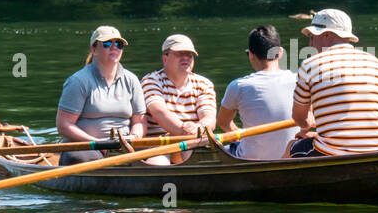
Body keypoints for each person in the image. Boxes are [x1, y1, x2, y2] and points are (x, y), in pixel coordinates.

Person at [289, 9, 378, 157]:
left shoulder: (310, 64)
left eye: (311, 37)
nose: (310, 43)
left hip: (331, 152)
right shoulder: (376, 63)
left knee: (291, 146)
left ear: (327, 35)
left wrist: (306, 125)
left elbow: (299, 118)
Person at [55, 25, 145, 164]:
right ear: (93, 49)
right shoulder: (78, 81)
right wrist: (99, 144)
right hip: (88, 147)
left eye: (119, 44)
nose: (114, 47)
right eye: (107, 43)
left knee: (157, 155)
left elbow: (139, 121)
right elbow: (64, 125)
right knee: (76, 158)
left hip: (125, 146)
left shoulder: (132, 80)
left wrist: (134, 137)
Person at [215, 25, 300, 159]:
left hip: (250, 158)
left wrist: (239, 136)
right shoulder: (299, 80)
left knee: (223, 150)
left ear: (251, 55)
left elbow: (223, 123)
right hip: (293, 155)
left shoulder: (238, 86)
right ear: (280, 53)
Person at [141, 34, 217, 164]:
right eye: (180, 54)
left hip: (193, 142)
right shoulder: (151, 81)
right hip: (160, 146)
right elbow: (160, 112)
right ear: (165, 58)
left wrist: (197, 128)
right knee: (158, 164)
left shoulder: (204, 84)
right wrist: (184, 129)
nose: (186, 58)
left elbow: (209, 119)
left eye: (189, 54)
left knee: (202, 158)